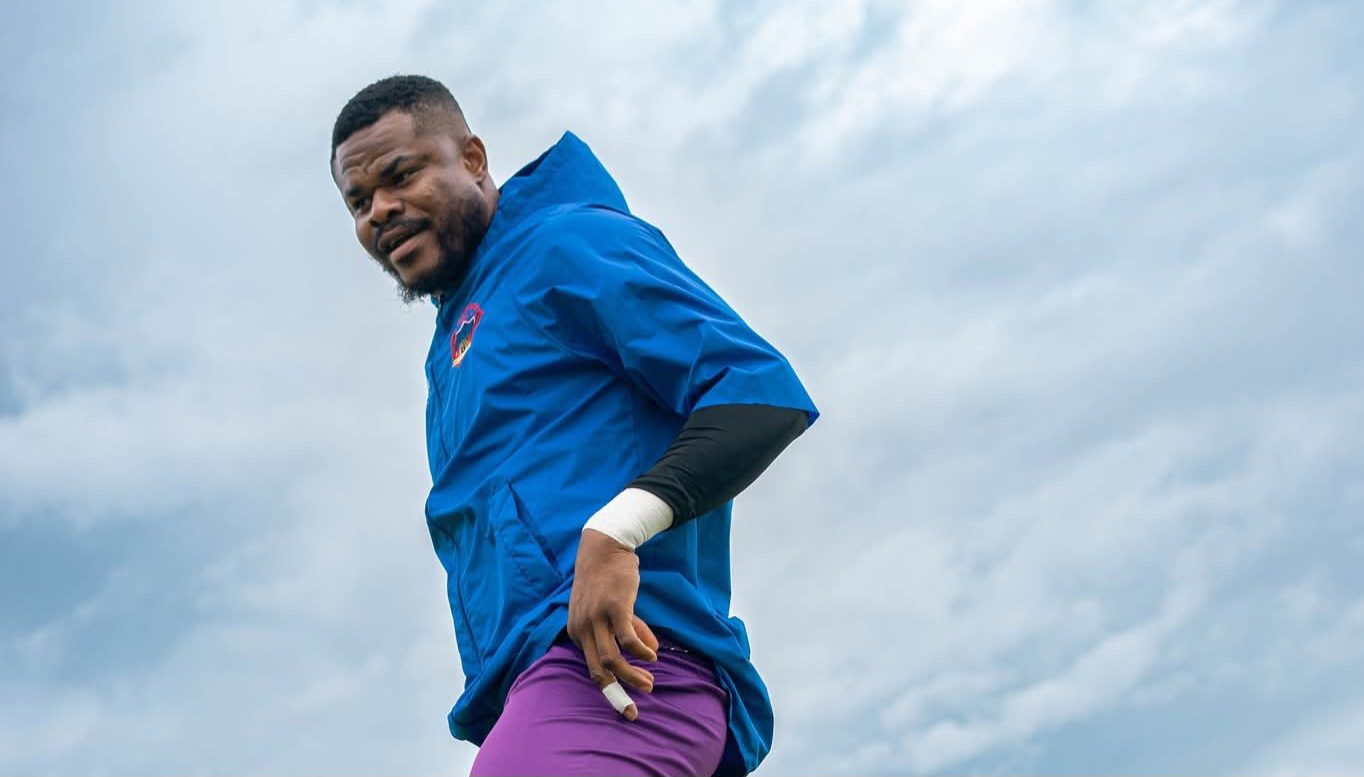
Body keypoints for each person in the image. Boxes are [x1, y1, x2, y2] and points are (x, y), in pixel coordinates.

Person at [329, 74, 818, 776]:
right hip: (549, 691)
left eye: (401, 175)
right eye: (359, 201)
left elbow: (759, 395)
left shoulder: (564, 244)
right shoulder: (457, 340)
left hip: (627, 674)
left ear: (471, 158)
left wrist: (617, 529)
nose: (382, 209)